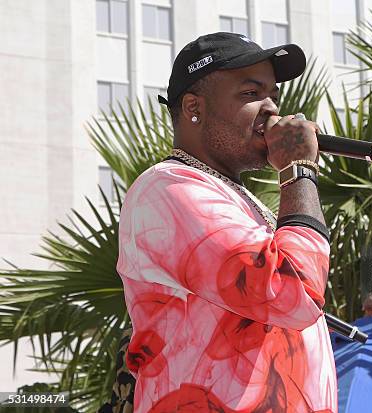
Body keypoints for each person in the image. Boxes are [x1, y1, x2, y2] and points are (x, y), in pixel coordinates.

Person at [116, 33, 337, 412]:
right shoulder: (169, 188)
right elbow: (292, 290)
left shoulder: (232, 196)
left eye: (274, 96)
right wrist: (298, 168)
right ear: (193, 107)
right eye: (251, 94)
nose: (272, 110)